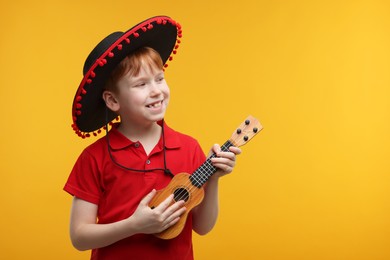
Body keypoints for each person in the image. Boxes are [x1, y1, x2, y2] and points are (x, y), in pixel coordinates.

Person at [64, 16, 241, 260]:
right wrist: (134, 225)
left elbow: (203, 227)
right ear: (113, 101)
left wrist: (214, 180)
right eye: (141, 84)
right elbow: (79, 236)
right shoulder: (94, 157)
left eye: (159, 78)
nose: (156, 90)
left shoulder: (188, 147)